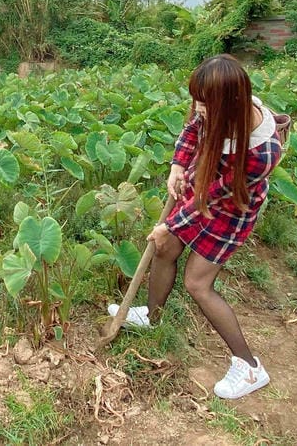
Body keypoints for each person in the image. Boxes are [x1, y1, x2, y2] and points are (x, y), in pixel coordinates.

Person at [108, 54, 285, 400]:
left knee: (197, 283)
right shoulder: (218, 106)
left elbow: (214, 198)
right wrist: (177, 165)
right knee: (167, 248)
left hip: (231, 207)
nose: (198, 109)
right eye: (197, 101)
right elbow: (193, 128)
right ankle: (152, 316)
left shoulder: (262, 151)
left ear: (229, 102)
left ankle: (249, 367)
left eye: (205, 105)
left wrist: (170, 223)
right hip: (205, 183)